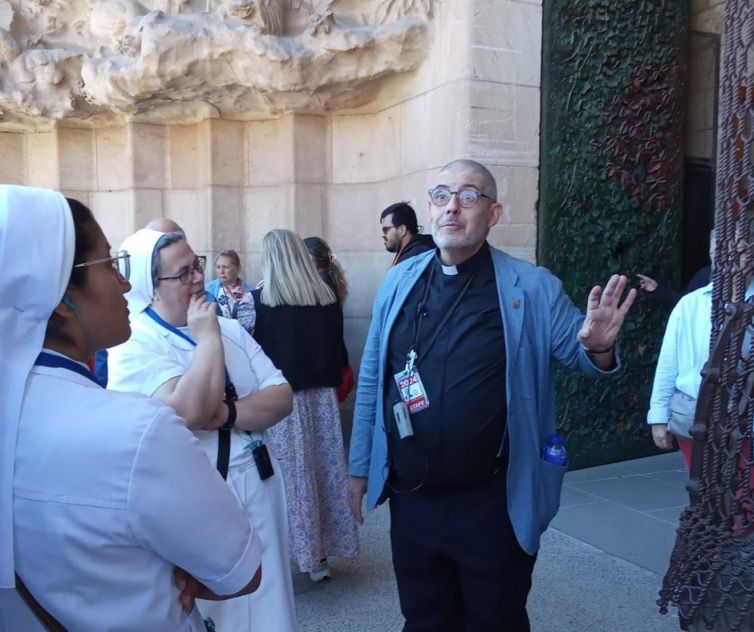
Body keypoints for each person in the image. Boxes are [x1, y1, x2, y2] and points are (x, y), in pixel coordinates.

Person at [348, 159, 637, 631]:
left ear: (494, 213)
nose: (452, 209)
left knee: (495, 618)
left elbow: (581, 354)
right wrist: (359, 468)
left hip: (493, 502)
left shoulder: (533, 287)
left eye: (469, 196)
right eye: (441, 196)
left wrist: (600, 348)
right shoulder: (398, 280)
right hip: (413, 497)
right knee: (424, 618)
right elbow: (373, 379)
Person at [0, 186, 262, 631]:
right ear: (62, 297)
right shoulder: (136, 431)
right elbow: (239, 569)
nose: (124, 282)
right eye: (109, 263)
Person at [107, 228, 296, 632]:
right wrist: (207, 339)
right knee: (220, 611)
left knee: (270, 606)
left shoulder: (230, 328)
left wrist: (227, 414)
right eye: (183, 272)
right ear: (151, 286)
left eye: (197, 265)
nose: (197, 277)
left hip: (259, 483)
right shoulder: (135, 342)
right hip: (198, 498)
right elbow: (189, 409)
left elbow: (281, 396)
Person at [251, 229, 359, 582]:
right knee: (323, 474)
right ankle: (320, 557)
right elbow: (337, 350)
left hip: (282, 400)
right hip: (322, 400)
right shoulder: (326, 297)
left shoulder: (258, 302)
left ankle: (291, 556)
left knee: (288, 480)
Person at [380, 202, 436, 266]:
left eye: (386, 230)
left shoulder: (416, 259)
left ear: (402, 230)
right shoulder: (410, 253)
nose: (383, 235)